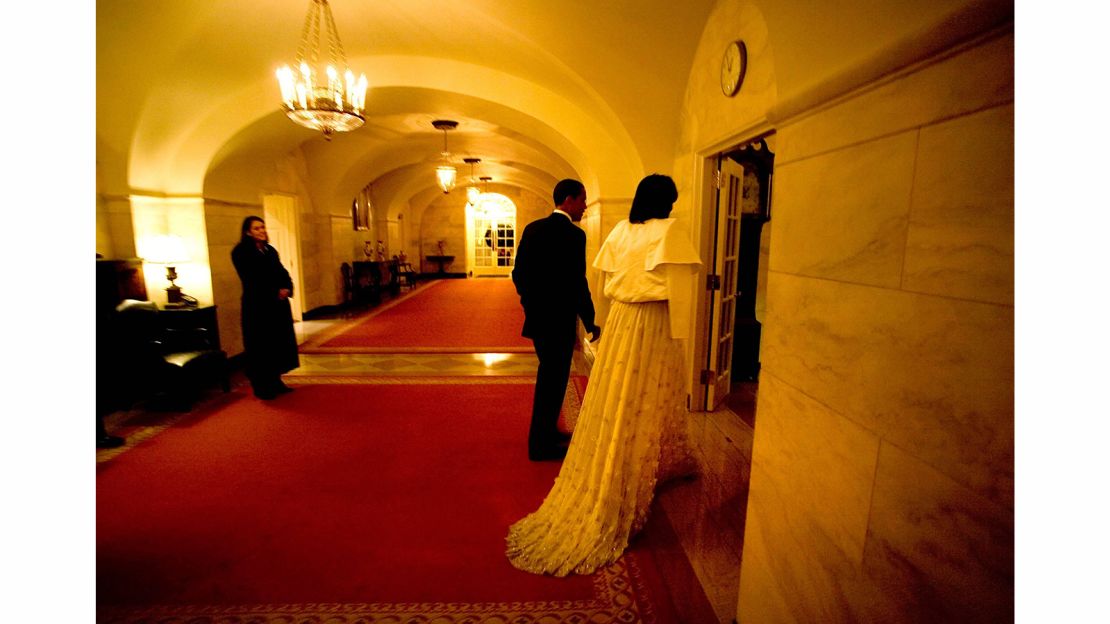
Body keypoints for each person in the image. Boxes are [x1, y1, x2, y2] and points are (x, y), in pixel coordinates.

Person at [506, 174, 702, 576]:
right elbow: (679, 290)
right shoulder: (669, 230)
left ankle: (559, 439)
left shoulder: (619, 231)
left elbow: (600, 280)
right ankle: (620, 457)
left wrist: (537, 306)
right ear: (667, 202)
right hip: (651, 321)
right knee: (643, 389)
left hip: (623, 319)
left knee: (615, 389)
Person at [512, 179, 601, 461]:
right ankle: (540, 445)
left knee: (551, 378)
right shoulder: (575, 236)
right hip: (560, 321)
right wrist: (590, 319)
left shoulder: (533, 229)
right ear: (568, 200)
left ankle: (547, 433)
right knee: (553, 380)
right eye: (583, 199)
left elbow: (519, 275)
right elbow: (577, 282)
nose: (585, 206)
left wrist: (531, 306)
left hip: (539, 321)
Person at [231, 216, 300, 400]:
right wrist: (275, 291)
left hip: (277, 306)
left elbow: (281, 271)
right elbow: (252, 278)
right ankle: (261, 385)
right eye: (256, 228)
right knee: (260, 345)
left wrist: (287, 287)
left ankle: (276, 381)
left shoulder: (269, 250)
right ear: (247, 232)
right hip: (258, 306)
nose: (261, 231)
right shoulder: (241, 252)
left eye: (262, 227)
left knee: (277, 344)